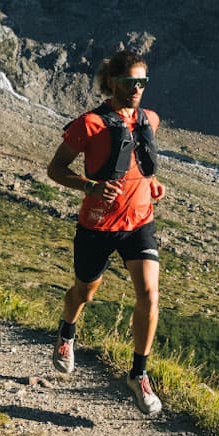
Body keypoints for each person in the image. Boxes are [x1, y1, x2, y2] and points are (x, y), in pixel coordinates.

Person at [46, 50, 167, 415]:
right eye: (130, 82)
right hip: (97, 224)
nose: (137, 89)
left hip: (139, 222)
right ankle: (67, 332)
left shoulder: (150, 120)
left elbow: (136, 163)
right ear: (112, 81)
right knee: (85, 291)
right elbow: (55, 169)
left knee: (149, 294)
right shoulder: (89, 125)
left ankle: (138, 374)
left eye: (142, 83)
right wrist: (90, 187)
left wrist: (152, 182)